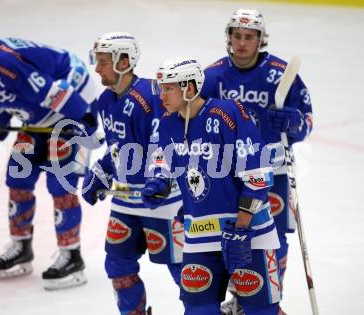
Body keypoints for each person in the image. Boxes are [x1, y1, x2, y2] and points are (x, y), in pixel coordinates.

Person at [0, 37, 101, 290]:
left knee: (60, 183)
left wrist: (86, 119)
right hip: (37, 117)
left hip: (69, 108)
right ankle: (20, 246)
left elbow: (57, 92)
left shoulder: (12, 68)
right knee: (18, 177)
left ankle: (71, 255)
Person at [142, 56, 282, 315]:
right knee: (198, 309)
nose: (162, 95)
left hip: (249, 231)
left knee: (260, 310)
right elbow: (162, 160)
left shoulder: (226, 113)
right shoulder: (167, 123)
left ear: (190, 89)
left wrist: (242, 224)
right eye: (161, 88)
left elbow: (258, 171)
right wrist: (158, 182)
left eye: (169, 88)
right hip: (200, 233)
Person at [200, 9, 313, 314]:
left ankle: (269, 301)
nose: (241, 42)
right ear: (229, 38)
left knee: (274, 242)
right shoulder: (212, 75)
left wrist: (293, 123)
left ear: (260, 39)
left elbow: (307, 121)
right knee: (236, 236)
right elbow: (196, 117)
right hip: (228, 175)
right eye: (237, 35)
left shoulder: (280, 72)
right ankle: (240, 298)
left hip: (273, 172)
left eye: (249, 36)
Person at [81, 32, 184, 314]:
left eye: (103, 62)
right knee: (117, 265)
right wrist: (102, 171)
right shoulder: (106, 101)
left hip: (164, 202)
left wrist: (162, 179)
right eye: (97, 62)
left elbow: (169, 143)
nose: (97, 69)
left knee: (185, 272)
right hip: (126, 203)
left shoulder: (152, 95)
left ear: (124, 62)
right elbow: (119, 148)